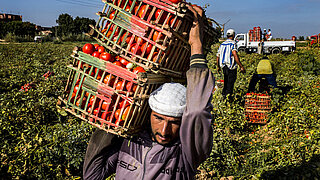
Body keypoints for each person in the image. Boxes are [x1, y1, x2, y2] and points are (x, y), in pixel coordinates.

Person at [83, 4, 215, 180]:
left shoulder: (186, 152)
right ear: (148, 114)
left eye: (174, 122)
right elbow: (92, 176)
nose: (164, 130)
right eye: (158, 118)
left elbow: (198, 111)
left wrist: (195, 45)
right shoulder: (131, 143)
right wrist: (109, 119)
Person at [216, 29, 245, 100]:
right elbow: (235, 54)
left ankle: (223, 96)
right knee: (230, 83)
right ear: (233, 35)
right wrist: (241, 66)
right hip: (230, 66)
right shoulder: (233, 43)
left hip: (223, 66)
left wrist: (218, 66)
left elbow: (218, 56)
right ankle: (228, 98)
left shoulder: (222, 44)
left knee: (226, 81)